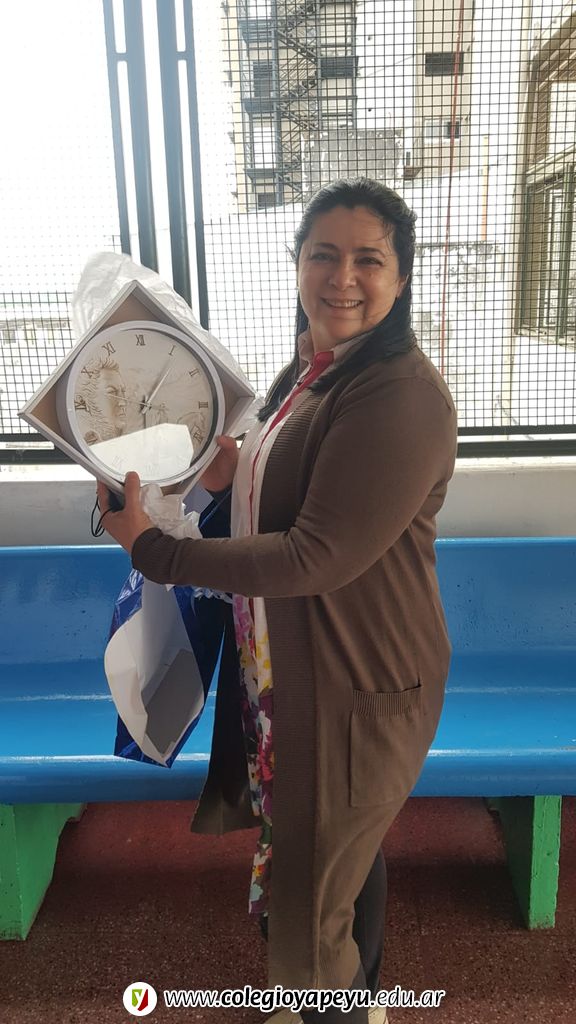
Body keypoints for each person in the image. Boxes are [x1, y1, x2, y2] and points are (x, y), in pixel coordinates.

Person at [96, 177, 458, 1023]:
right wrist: (218, 474)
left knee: (314, 897)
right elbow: (278, 490)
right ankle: (357, 1001)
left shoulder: (398, 394)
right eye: (323, 254)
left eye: (368, 259)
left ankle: (331, 1003)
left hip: (358, 683)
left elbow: (314, 554)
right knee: (338, 855)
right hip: (296, 672)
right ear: (297, 264)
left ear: (402, 276)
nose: (343, 277)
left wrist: (155, 550)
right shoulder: (313, 369)